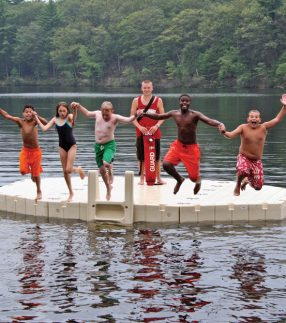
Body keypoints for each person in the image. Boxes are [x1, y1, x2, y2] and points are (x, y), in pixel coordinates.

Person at [143, 94, 224, 195]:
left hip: (191, 149)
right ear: (179, 102)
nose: (184, 103)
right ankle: (179, 179)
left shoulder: (195, 114)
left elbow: (209, 120)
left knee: (193, 178)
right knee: (166, 164)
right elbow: (159, 116)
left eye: (187, 101)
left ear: (190, 103)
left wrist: (220, 124)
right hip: (178, 146)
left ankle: (198, 181)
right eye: (182, 101)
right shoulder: (174, 113)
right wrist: (145, 113)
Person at [219, 94, 286, 196]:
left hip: (256, 160)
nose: (253, 119)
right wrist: (224, 132)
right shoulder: (243, 127)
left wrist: (284, 106)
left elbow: (277, 119)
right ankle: (238, 184)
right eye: (251, 117)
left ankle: (247, 181)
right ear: (248, 119)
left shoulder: (263, 128)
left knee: (258, 187)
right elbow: (231, 135)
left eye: (256, 117)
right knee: (242, 170)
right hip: (244, 157)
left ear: (259, 119)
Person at [71, 101, 138, 200]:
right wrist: (79, 106)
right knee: (102, 171)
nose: (105, 116)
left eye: (107, 114)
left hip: (109, 145)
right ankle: (108, 189)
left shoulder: (116, 118)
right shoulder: (97, 114)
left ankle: (110, 169)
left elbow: (128, 120)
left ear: (112, 111)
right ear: (101, 111)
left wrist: (136, 114)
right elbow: (87, 113)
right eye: (103, 114)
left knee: (106, 163)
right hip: (98, 146)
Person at [33, 102, 85, 202]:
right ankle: (71, 192)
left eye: (64, 110)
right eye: (60, 111)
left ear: (67, 111)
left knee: (69, 169)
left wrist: (75, 109)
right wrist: (36, 118)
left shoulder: (69, 117)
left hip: (71, 145)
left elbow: (74, 118)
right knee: (65, 171)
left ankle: (78, 169)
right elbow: (44, 129)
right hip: (61, 147)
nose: (62, 113)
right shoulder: (55, 119)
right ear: (57, 111)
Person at [0, 105, 47, 201]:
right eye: (26, 111)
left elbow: (46, 123)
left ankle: (38, 191)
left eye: (30, 112)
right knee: (22, 170)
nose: (28, 113)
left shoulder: (35, 122)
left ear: (33, 113)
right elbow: (7, 116)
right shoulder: (20, 121)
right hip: (25, 151)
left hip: (36, 151)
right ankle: (33, 172)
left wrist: (37, 116)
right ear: (23, 114)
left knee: (36, 175)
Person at [130, 80, 166, 185]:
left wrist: (157, 125)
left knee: (157, 157)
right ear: (141, 88)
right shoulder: (136, 101)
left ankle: (158, 178)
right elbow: (132, 117)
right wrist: (139, 127)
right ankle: (141, 178)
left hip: (155, 133)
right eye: (144, 88)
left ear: (152, 88)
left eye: (148, 87)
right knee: (141, 157)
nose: (146, 90)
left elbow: (163, 116)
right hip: (141, 132)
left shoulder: (158, 100)